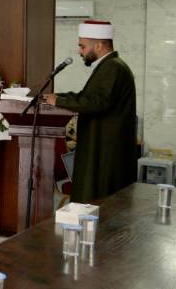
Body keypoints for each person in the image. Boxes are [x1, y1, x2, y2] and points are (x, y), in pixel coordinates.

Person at [43, 20, 137, 202]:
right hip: (101, 145)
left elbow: (96, 102)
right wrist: (58, 97)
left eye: (83, 46)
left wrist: (59, 100)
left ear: (99, 45)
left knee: (101, 202)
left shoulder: (113, 67)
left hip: (105, 150)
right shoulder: (110, 65)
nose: (80, 52)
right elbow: (87, 96)